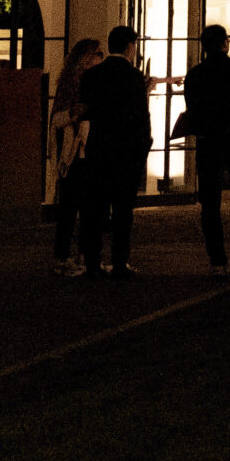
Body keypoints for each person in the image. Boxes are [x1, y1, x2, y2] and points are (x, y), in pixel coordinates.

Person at [78, 25, 150, 278]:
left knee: (95, 208)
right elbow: (141, 118)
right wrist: (143, 146)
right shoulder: (134, 77)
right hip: (125, 152)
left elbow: (84, 111)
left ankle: (92, 261)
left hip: (99, 147)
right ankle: (119, 262)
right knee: (122, 210)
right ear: (129, 46)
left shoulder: (92, 75)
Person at [186, 25, 230, 273]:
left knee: (210, 205)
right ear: (225, 43)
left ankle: (217, 261)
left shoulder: (196, 75)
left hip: (209, 143)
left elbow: (193, 110)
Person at [49, 37, 101, 274]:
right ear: (85, 57)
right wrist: (75, 112)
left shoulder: (86, 80)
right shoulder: (73, 82)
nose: (100, 58)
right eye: (97, 53)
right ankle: (65, 256)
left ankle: (81, 254)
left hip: (85, 149)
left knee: (84, 207)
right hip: (74, 152)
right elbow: (59, 117)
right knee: (71, 206)